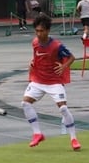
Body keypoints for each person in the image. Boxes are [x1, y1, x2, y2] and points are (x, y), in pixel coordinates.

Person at [22, 15, 81, 151]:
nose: (39, 34)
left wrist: (63, 66)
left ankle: (74, 139)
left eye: (41, 31)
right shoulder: (35, 42)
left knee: (63, 108)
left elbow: (72, 57)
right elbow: (36, 57)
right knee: (25, 103)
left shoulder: (57, 46)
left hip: (54, 82)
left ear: (48, 31)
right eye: (37, 31)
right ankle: (37, 134)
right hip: (38, 80)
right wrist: (32, 63)